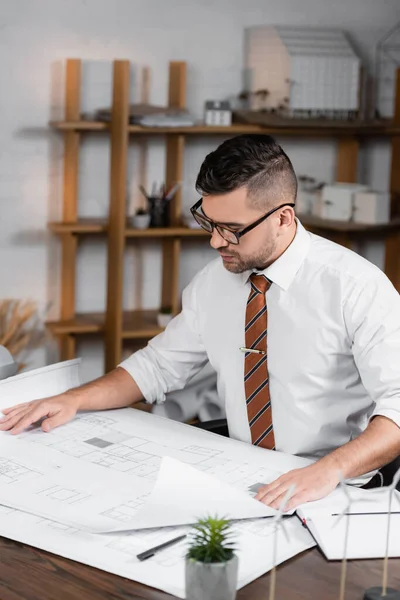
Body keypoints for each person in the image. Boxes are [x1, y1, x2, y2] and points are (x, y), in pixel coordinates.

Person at [1, 134, 400, 510]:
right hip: (245, 474)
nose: (215, 241)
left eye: (232, 230)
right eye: (208, 222)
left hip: (337, 487)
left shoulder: (355, 288)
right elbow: (157, 367)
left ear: (283, 218)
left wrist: (328, 470)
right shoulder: (213, 284)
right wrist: (72, 399)